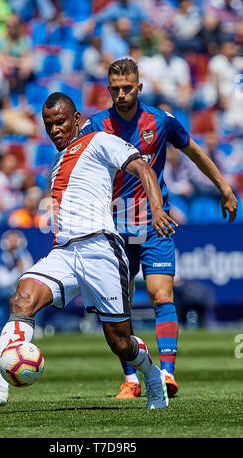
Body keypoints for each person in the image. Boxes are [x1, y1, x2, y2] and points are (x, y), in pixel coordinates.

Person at [0, 92, 178, 409]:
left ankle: (152, 377)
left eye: (61, 122)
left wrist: (155, 204)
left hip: (101, 248)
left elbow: (143, 168)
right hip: (65, 253)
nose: (55, 129)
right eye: (49, 124)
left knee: (120, 342)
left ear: (77, 120)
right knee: (23, 297)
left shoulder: (99, 141)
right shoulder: (55, 163)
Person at [81, 57, 237, 399]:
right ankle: (133, 379)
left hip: (155, 221)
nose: (121, 94)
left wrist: (224, 189)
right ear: (108, 90)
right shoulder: (94, 126)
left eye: (127, 88)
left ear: (139, 87)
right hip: (114, 226)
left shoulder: (161, 121)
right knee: (116, 305)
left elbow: (193, 150)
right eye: (115, 89)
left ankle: (166, 373)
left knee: (161, 295)